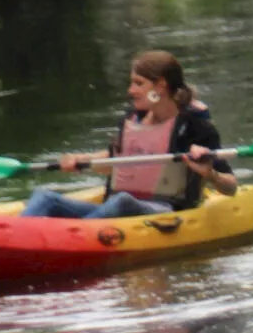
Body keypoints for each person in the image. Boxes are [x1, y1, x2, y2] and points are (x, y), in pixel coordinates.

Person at [20, 51, 237, 219]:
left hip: (162, 210)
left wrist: (209, 174)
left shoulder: (196, 128)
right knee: (44, 196)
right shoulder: (133, 119)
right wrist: (82, 161)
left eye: (138, 83)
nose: (130, 90)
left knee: (123, 201)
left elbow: (230, 186)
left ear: (160, 85)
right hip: (115, 209)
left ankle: (72, 237)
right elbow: (117, 161)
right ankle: (22, 236)